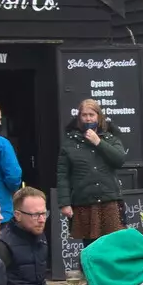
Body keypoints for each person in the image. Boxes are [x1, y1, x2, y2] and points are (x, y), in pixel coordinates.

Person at [58, 99, 127, 242]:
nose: (88, 118)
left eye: (92, 114)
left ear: (99, 117)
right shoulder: (70, 143)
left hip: (109, 200)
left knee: (112, 244)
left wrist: (99, 142)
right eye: (84, 115)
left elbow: (119, 160)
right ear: (79, 118)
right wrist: (64, 203)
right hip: (84, 201)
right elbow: (62, 175)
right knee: (90, 246)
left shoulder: (111, 139)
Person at [0, 185, 52, 285]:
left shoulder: (38, 233)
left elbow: (39, 282)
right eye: (35, 215)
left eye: (44, 213)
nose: (42, 219)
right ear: (18, 215)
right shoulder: (3, 244)